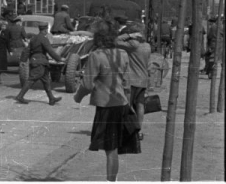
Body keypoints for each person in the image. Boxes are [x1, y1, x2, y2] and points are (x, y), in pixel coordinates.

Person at [74, 20, 138, 182]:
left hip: (106, 107)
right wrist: (129, 105)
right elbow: (127, 84)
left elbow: (87, 84)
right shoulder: (122, 54)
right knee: (114, 150)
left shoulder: (96, 56)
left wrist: (78, 97)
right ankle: (112, 180)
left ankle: (110, 181)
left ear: (98, 38)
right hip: (121, 104)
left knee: (110, 150)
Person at [15, 21, 65, 105]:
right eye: (47, 30)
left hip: (38, 62)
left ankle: (51, 98)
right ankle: (20, 96)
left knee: (46, 81)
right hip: (40, 62)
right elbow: (50, 50)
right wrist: (59, 59)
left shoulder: (34, 38)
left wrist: (23, 61)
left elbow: (27, 50)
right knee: (31, 79)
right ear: (45, 30)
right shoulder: (44, 39)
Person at [116, 22, 150, 139]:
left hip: (132, 80)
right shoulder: (147, 45)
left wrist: (129, 36)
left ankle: (130, 130)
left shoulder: (133, 45)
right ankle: (139, 130)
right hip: (143, 79)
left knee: (128, 105)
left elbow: (115, 41)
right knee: (140, 105)